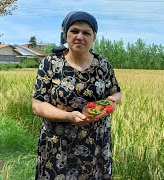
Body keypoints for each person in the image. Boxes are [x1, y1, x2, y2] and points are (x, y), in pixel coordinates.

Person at [32, 11, 122, 179]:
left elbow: (116, 91)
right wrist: (68, 116)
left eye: (86, 33)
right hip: (57, 144)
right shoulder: (51, 63)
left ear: (94, 37)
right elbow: (38, 105)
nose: (80, 36)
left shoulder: (103, 65)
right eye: (74, 31)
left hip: (95, 144)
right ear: (65, 34)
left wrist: (112, 102)